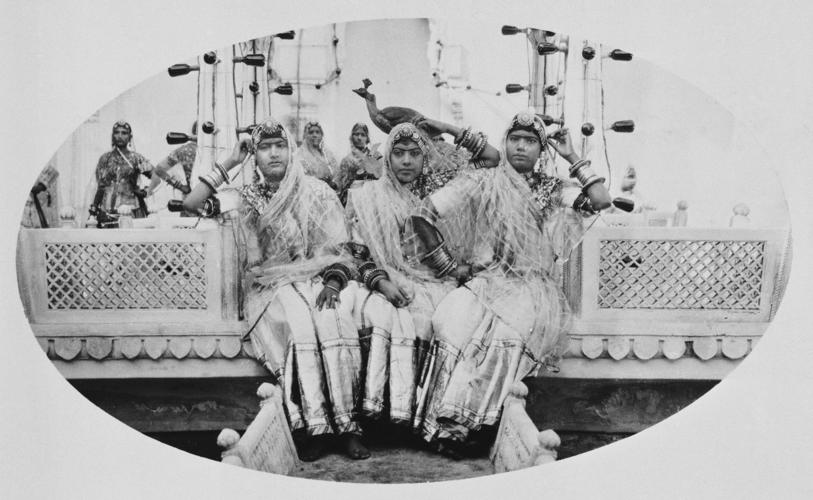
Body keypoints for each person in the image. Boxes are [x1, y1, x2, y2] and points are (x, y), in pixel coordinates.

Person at [410, 111, 612, 457]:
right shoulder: (484, 180)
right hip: (485, 280)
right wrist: (449, 267)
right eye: (515, 139)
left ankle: (478, 428)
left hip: (528, 287)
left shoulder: (548, 188)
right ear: (505, 143)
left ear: (541, 149)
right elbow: (423, 215)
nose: (521, 147)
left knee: (505, 338)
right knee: (451, 324)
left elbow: (601, 201)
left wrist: (572, 156)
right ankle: (439, 424)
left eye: (530, 141)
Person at [182, 117, 369, 462]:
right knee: (298, 326)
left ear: (291, 150)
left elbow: (341, 248)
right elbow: (191, 205)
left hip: (319, 280)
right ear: (254, 156)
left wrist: (331, 283)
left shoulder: (317, 191)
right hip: (270, 287)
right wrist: (230, 162)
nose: (273, 154)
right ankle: (312, 428)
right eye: (264, 148)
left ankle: (349, 427)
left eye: (279, 146)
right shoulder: (246, 197)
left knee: (335, 319)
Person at [345, 121, 493, 427]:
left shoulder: (440, 192)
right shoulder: (367, 195)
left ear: (426, 158)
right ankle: (382, 416)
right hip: (383, 279)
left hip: (436, 281)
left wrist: (445, 127)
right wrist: (382, 282)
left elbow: (492, 160)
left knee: (443, 321)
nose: (407, 161)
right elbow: (356, 253)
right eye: (398, 153)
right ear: (388, 157)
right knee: (379, 315)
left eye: (415, 153)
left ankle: (425, 418)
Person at [89, 121, 154, 223]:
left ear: (130, 137)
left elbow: (156, 176)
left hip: (131, 209)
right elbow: (101, 187)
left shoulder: (136, 158)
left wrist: (145, 192)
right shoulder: (105, 158)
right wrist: (93, 211)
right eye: (117, 132)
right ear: (112, 136)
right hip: (107, 210)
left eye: (124, 133)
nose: (120, 136)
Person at [335, 122, 383, 205]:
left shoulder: (376, 155)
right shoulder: (346, 160)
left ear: (367, 138)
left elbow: (381, 178)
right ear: (352, 137)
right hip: (353, 199)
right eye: (356, 134)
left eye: (363, 135)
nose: (359, 138)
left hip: (373, 198)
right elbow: (341, 186)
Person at [146, 121, 197, 198]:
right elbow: (159, 169)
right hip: (204, 196)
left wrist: (179, 186)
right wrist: (180, 186)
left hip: (192, 197)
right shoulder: (185, 150)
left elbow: (159, 169)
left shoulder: (184, 150)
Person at [294, 121, 340, 189]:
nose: (314, 135)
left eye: (317, 132)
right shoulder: (300, 154)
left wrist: (334, 183)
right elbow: (300, 177)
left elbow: (337, 173)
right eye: (311, 132)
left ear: (321, 135)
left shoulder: (327, 154)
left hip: (329, 191)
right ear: (305, 135)